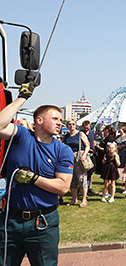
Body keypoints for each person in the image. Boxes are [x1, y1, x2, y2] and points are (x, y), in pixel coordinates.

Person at [0, 84, 74, 265]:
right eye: (55, 118)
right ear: (39, 121)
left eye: (61, 120)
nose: (60, 123)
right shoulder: (22, 136)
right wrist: (22, 97)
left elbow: (63, 187)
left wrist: (34, 178)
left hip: (43, 224)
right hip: (11, 220)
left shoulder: (63, 150)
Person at [63, 118, 90, 208]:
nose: (71, 126)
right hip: (70, 158)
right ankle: (74, 199)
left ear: (76, 125)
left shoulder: (80, 134)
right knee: (72, 178)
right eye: (69, 124)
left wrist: (84, 155)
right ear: (67, 126)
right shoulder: (66, 136)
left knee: (82, 178)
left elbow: (87, 146)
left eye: (73, 124)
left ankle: (84, 199)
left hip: (79, 157)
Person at [81, 120, 98, 195]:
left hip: (91, 155)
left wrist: (94, 149)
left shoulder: (92, 134)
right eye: (85, 127)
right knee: (82, 172)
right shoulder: (80, 133)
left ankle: (89, 187)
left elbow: (93, 143)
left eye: (88, 127)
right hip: (83, 154)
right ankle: (81, 189)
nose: (86, 129)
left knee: (90, 172)